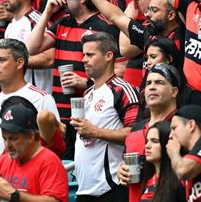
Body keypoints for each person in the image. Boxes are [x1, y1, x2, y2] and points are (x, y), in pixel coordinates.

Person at [25, 0, 118, 159]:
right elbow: (30, 48)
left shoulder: (104, 26)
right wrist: (47, 13)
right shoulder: (62, 23)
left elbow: (118, 72)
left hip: (89, 114)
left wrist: (86, 83)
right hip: (61, 111)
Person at [73, 32, 139, 201]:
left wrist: (95, 132)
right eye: (83, 55)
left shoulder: (122, 90)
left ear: (108, 56)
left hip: (110, 188)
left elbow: (135, 135)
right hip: (84, 189)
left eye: (90, 55)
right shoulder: (87, 93)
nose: (83, 60)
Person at [0, 38, 61, 167]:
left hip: (26, 180)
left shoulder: (41, 98)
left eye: (2, 60)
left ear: (20, 63)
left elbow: (56, 145)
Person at [0, 102, 68, 202]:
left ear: (30, 136)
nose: (8, 145)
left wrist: (14, 195)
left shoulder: (49, 162)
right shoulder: (3, 160)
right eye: (4, 139)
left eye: (13, 139)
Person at [120, 64, 180, 202]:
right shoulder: (135, 128)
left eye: (159, 82)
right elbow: (124, 162)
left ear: (174, 92)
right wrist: (121, 170)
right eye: (148, 83)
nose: (152, 87)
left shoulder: (181, 127)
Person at [140, 121, 185, 201]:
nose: (147, 146)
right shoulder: (147, 178)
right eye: (147, 141)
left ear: (168, 144)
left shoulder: (179, 182)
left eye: (154, 141)